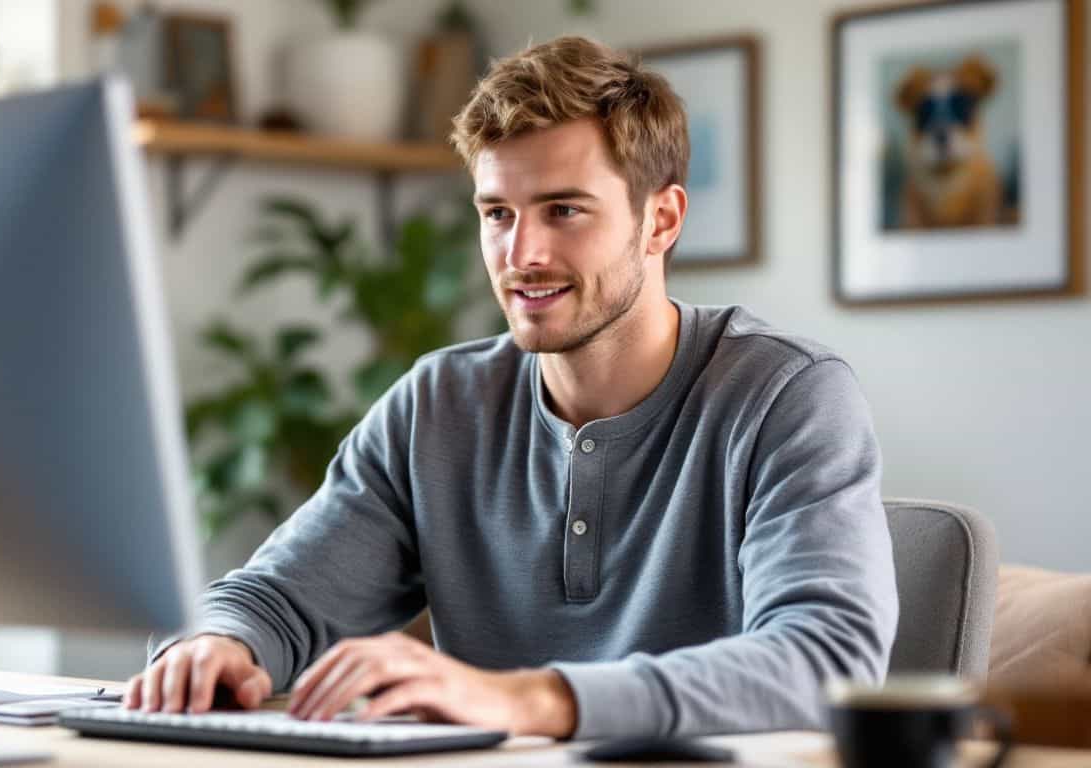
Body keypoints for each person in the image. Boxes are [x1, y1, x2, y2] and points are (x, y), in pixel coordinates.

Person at [123, 36, 898, 741]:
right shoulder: (438, 406)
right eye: (498, 213)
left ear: (660, 221)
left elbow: (827, 660)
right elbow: (279, 600)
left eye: (563, 210)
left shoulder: (787, 395)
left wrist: (533, 699)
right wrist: (215, 643)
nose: (521, 254)